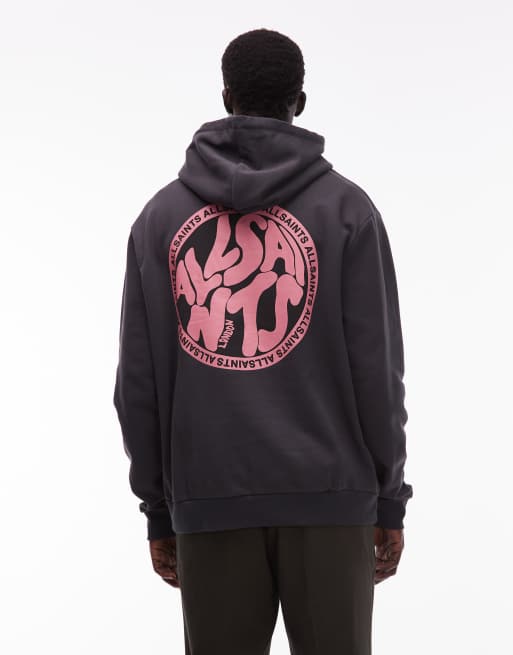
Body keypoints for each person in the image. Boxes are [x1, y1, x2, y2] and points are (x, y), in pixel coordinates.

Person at [113, 27, 413, 655]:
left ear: (225, 97)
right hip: (331, 499)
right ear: (299, 100)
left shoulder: (160, 221)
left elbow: (137, 384)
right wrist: (388, 498)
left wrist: (159, 507)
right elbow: (378, 370)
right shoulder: (348, 212)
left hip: (209, 496)